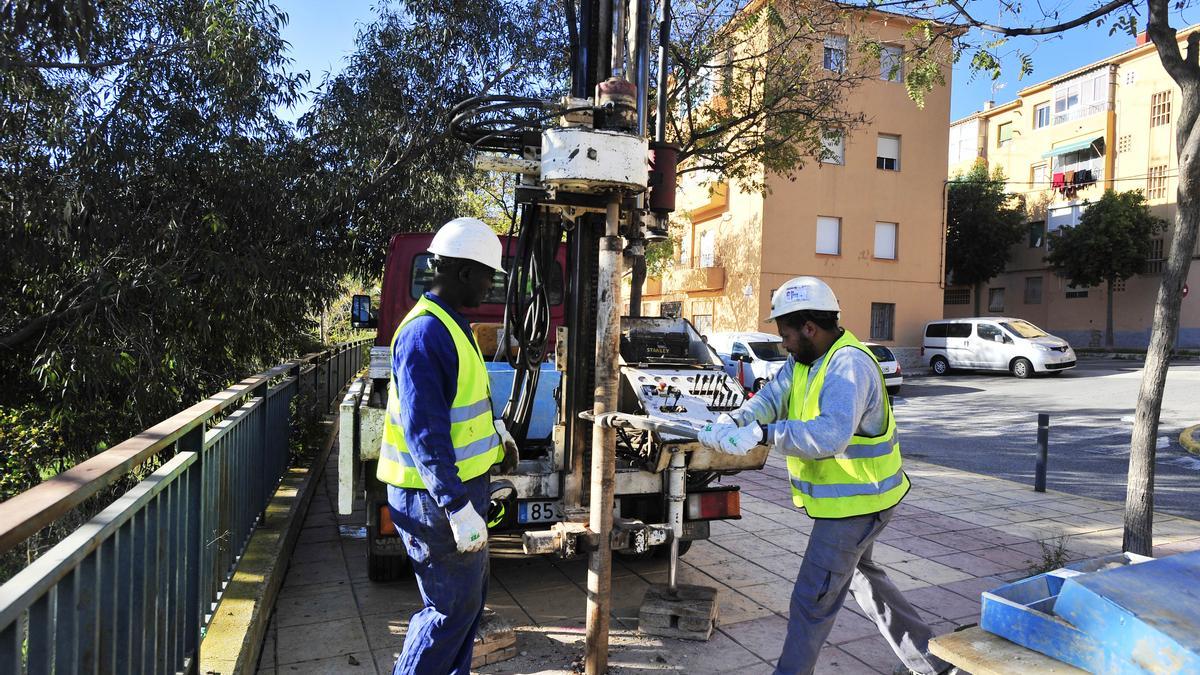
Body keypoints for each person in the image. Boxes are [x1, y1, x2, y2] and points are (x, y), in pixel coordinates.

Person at [697, 276, 950, 675]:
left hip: (858, 504)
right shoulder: (805, 361)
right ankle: (935, 665)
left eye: (786, 335)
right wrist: (737, 419)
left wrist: (760, 434)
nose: (784, 344)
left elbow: (829, 435)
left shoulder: (848, 365)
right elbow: (771, 397)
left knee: (812, 600)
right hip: (855, 502)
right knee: (865, 582)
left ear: (810, 328)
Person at [376, 217, 519, 674]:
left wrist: (497, 438)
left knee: (467, 607)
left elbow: (461, 407)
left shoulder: (452, 326)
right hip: (432, 499)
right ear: (462, 273)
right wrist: (457, 507)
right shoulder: (425, 333)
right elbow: (426, 433)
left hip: (455, 491)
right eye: (487, 277)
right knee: (448, 611)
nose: (490, 288)